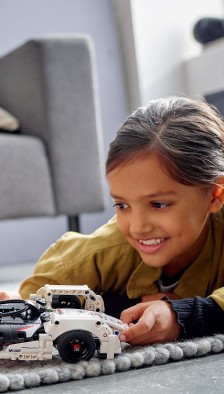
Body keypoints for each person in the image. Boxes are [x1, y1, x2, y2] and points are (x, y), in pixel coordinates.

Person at [19, 96, 224, 345]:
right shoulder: (107, 249)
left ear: (215, 196)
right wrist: (125, 305)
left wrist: (182, 314)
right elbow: (34, 299)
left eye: (159, 204)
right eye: (122, 205)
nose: (137, 227)